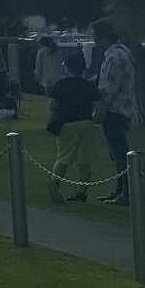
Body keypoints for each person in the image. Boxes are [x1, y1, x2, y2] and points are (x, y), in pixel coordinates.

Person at [44, 51, 101, 203]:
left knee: (64, 157)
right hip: (86, 123)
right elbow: (100, 107)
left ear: (67, 68)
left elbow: (52, 106)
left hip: (67, 124)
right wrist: (94, 120)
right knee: (84, 160)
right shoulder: (89, 85)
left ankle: (54, 183)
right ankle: (81, 192)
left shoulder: (61, 84)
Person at [93, 20, 137, 205]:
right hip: (122, 108)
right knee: (117, 152)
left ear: (103, 37)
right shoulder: (122, 52)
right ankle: (120, 190)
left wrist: (99, 109)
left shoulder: (115, 56)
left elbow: (109, 87)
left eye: (95, 36)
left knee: (119, 152)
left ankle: (126, 193)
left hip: (114, 110)